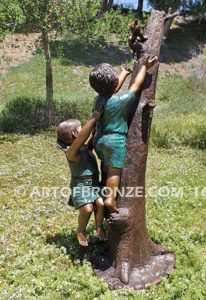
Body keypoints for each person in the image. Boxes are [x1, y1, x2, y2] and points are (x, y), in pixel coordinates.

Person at [89, 56, 158, 213]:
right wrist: (145, 67)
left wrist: (124, 73)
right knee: (114, 171)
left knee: (105, 167)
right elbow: (136, 86)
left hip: (99, 140)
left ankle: (102, 193)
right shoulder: (122, 100)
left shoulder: (97, 100)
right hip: (115, 141)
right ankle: (110, 199)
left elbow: (111, 90)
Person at [56, 105, 105, 247]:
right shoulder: (71, 152)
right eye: (80, 128)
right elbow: (84, 136)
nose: (83, 129)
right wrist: (93, 120)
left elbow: (88, 143)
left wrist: (95, 130)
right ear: (75, 134)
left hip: (94, 184)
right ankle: (81, 230)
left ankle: (99, 227)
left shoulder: (82, 149)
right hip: (81, 185)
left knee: (100, 204)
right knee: (87, 208)